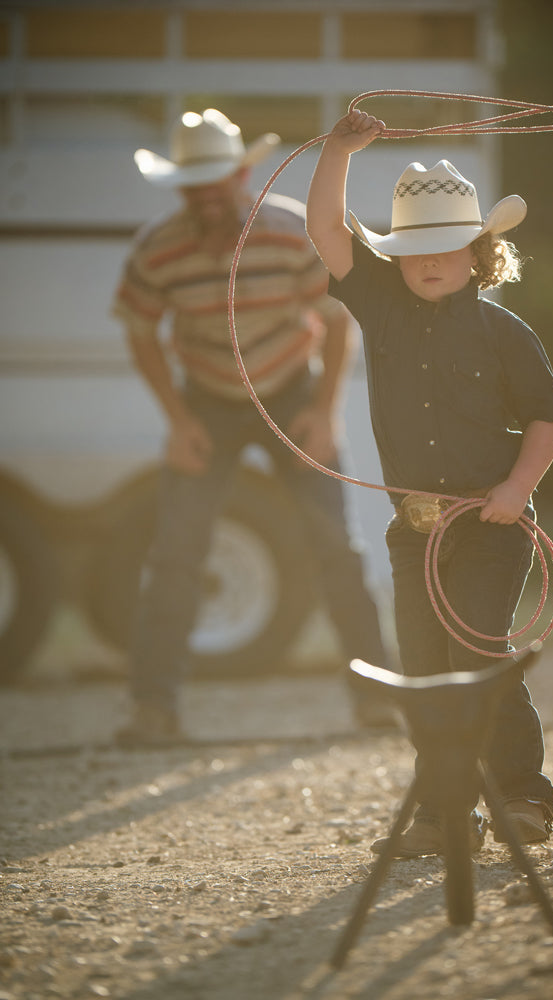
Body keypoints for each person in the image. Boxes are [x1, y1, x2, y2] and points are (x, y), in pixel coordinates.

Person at [306, 110, 553, 855]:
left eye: (446, 247)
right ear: (396, 256)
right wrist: (337, 151)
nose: (428, 262)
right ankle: (448, 812)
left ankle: (522, 796)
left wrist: (516, 490)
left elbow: (547, 420)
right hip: (413, 528)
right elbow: (327, 230)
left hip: (490, 525)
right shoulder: (379, 305)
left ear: (477, 252)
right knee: (423, 671)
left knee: (479, 655)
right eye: (414, 248)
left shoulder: (503, 332)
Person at [112, 108, 396, 745]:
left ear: (242, 174)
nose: (207, 195)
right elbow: (140, 332)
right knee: (178, 550)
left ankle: (378, 697)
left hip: (291, 389)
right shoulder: (156, 248)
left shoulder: (291, 230)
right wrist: (178, 419)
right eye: (194, 185)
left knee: (336, 545)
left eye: (217, 180)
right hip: (206, 399)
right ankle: (152, 710)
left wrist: (323, 413)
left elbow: (338, 322)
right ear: (180, 188)